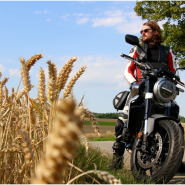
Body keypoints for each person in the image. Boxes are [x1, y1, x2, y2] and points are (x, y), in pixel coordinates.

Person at [108, 21, 185, 171]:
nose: (142, 33)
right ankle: (116, 160)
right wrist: (133, 84)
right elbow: (128, 70)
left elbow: (174, 72)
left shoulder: (168, 51)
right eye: (142, 31)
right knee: (121, 123)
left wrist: (173, 85)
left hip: (160, 90)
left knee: (176, 123)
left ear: (156, 32)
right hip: (141, 88)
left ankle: (174, 159)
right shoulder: (137, 49)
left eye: (146, 31)